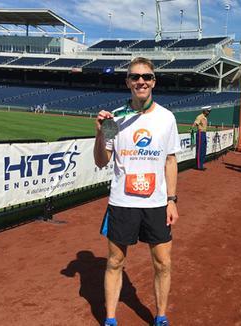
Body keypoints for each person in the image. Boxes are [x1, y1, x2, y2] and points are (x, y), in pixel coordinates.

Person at [94, 57, 180, 326]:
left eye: (147, 77)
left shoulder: (167, 118)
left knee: (163, 262)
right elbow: (101, 160)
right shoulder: (114, 119)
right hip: (122, 202)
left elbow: (170, 161)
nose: (141, 81)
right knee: (115, 261)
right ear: (127, 82)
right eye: (135, 77)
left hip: (156, 203)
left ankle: (161, 316)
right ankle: (110, 319)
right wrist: (99, 133)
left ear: (154, 81)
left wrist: (172, 200)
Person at [192, 106, 211, 170]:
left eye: (209, 111)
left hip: (204, 133)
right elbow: (195, 123)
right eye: (208, 111)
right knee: (199, 150)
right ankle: (198, 166)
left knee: (203, 149)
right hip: (200, 133)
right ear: (204, 111)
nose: (209, 112)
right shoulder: (200, 117)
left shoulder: (205, 118)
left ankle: (201, 164)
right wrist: (191, 129)